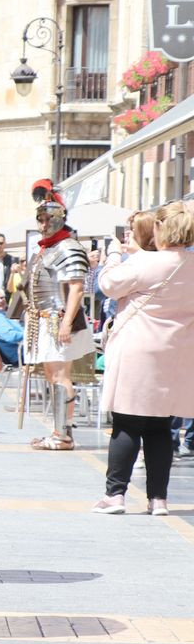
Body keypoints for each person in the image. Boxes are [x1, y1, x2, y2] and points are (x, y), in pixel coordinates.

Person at [92, 202, 194, 515]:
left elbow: (107, 285)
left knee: (126, 423)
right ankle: (158, 499)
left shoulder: (146, 262)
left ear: (163, 229)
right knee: (161, 426)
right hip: (175, 352)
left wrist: (112, 256)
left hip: (138, 349)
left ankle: (115, 495)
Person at [23, 180, 93, 451]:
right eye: (39, 218)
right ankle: (57, 430)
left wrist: (65, 323)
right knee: (53, 376)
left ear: (59, 218)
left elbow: (76, 287)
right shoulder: (47, 248)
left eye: (47, 218)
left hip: (59, 319)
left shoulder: (68, 247)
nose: (42, 223)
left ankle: (64, 434)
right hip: (44, 319)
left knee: (61, 375)